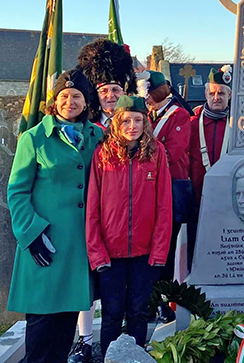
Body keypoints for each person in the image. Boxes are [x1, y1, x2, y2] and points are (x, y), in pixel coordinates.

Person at [7, 70, 103, 363]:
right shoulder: (33, 138)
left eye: (77, 96)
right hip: (45, 245)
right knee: (41, 329)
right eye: (64, 96)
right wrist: (31, 234)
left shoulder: (97, 136)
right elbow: (17, 191)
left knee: (64, 331)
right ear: (54, 100)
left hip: (78, 247)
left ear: (86, 102)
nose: (69, 101)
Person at [86, 95, 172, 356]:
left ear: (145, 122)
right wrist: (96, 252)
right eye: (125, 120)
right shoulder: (103, 155)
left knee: (139, 311)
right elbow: (92, 208)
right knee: (112, 312)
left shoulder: (156, 154)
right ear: (116, 123)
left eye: (137, 120)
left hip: (144, 254)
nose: (132, 126)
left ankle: (136, 357)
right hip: (110, 253)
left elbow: (164, 206)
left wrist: (159, 252)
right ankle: (109, 358)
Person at [69, 39, 136, 362]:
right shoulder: (88, 128)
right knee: (87, 281)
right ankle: (84, 339)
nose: (110, 97)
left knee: (117, 285)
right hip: (88, 211)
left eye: (115, 90)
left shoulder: (136, 123)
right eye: (104, 91)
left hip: (122, 217)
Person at [137, 69, 192, 321]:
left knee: (166, 249)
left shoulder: (178, 115)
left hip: (171, 186)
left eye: (149, 94)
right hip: (148, 189)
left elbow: (174, 152)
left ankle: (163, 300)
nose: (146, 99)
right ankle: (147, 299)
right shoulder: (149, 114)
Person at [188, 66, 232, 207]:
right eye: (212, 93)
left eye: (221, 93)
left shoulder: (237, 126)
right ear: (206, 94)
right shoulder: (192, 123)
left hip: (228, 194)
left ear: (229, 95)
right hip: (196, 196)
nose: (216, 98)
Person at [77, 39, 136, 127]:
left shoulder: (135, 126)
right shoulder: (85, 127)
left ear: (124, 93)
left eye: (115, 90)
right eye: (104, 91)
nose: (110, 95)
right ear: (96, 95)